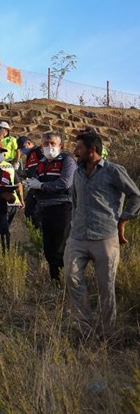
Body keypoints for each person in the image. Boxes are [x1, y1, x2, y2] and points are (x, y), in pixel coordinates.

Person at [62, 130, 140, 339]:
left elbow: (136, 195)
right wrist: (73, 224)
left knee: (106, 287)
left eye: (79, 147)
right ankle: (85, 331)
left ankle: (109, 335)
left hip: (105, 237)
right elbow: (75, 201)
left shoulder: (113, 171)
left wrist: (123, 220)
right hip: (78, 237)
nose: (75, 150)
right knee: (72, 278)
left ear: (92, 149)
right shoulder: (77, 172)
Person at [21, 132, 76, 282]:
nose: (49, 147)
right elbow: (39, 178)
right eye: (45, 144)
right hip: (44, 208)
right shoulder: (42, 162)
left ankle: (67, 281)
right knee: (48, 247)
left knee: (60, 246)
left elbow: (65, 183)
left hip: (62, 207)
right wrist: (32, 183)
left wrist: (41, 185)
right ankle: (55, 281)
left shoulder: (67, 161)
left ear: (61, 146)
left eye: (52, 143)